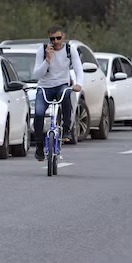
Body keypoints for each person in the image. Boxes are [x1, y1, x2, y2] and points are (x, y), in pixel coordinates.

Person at [32, 25, 84, 161]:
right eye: (52, 39)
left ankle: (66, 128)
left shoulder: (69, 49)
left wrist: (79, 84)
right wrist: (47, 60)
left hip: (62, 85)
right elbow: (37, 74)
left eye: (58, 38)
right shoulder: (42, 51)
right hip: (44, 87)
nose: (55, 41)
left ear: (63, 37)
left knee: (66, 95)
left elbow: (79, 69)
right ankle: (39, 146)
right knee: (38, 113)